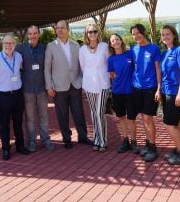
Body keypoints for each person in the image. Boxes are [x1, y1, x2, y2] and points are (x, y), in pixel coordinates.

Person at [44, 20, 93, 149]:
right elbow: (46, 68)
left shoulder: (76, 45)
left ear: (68, 29)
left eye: (62, 28)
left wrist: (83, 81)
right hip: (59, 87)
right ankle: (67, 139)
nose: (59, 30)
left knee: (79, 113)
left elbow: (82, 65)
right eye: (57, 28)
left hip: (75, 84)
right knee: (62, 114)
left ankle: (83, 137)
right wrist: (49, 86)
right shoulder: (51, 46)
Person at [0, 34, 30, 160]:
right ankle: (5, 149)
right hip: (2, 96)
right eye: (6, 43)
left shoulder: (19, 57)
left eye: (11, 43)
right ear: (2, 44)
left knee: (18, 122)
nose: (9, 45)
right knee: (4, 124)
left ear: (15, 45)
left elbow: (19, 70)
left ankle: (20, 146)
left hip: (17, 94)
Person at [16, 25, 55, 152]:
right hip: (27, 89)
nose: (33, 36)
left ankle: (46, 140)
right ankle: (31, 141)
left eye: (35, 33)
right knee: (30, 118)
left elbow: (49, 67)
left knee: (44, 116)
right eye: (30, 33)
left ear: (39, 34)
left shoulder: (45, 48)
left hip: (41, 88)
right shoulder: (20, 48)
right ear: (28, 35)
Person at [130, 24, 161, 162]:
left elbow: (158, 70)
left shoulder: (154, 48)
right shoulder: (133, 49)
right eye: (133, 34)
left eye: (138, 33)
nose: (136, 36)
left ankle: (153, 147)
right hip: (136, 88)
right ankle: (148, 144)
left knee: (148, 118)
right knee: (143, 118)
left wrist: (159, 88)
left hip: (150, 88)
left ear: (144, 33)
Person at [160, 24, 180, 165]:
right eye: (163, 35)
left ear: (174, 35)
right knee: (176, 122)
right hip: (166, 92)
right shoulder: (165, 53)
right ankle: (179, 149)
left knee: (168, 124)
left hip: (176, 93)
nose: (165, 37)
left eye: (168, 34)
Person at [79, 24, 110, 152]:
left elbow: (109, 63)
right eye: (89, 32)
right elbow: (82, 66)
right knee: (93, 113)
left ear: (98, 33)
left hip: (103, 83)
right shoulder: (82, 50)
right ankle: (97, 139)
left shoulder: (104, 47)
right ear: (86, 34)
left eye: (94, 31)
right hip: (89, 84)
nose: (92, 34)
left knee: (99, 112)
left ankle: (103, 141)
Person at [107, 33, 139, 154]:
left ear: (121, 40)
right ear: (111, 44)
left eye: (117, 39)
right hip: (117, 92)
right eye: (113, 40)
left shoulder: (130, 54)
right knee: (121, 118)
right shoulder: (111, 59)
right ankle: (125, 141)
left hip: (131, 92)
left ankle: (134, 141)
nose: (115, 41)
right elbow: (112, 74)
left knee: (131, 118)